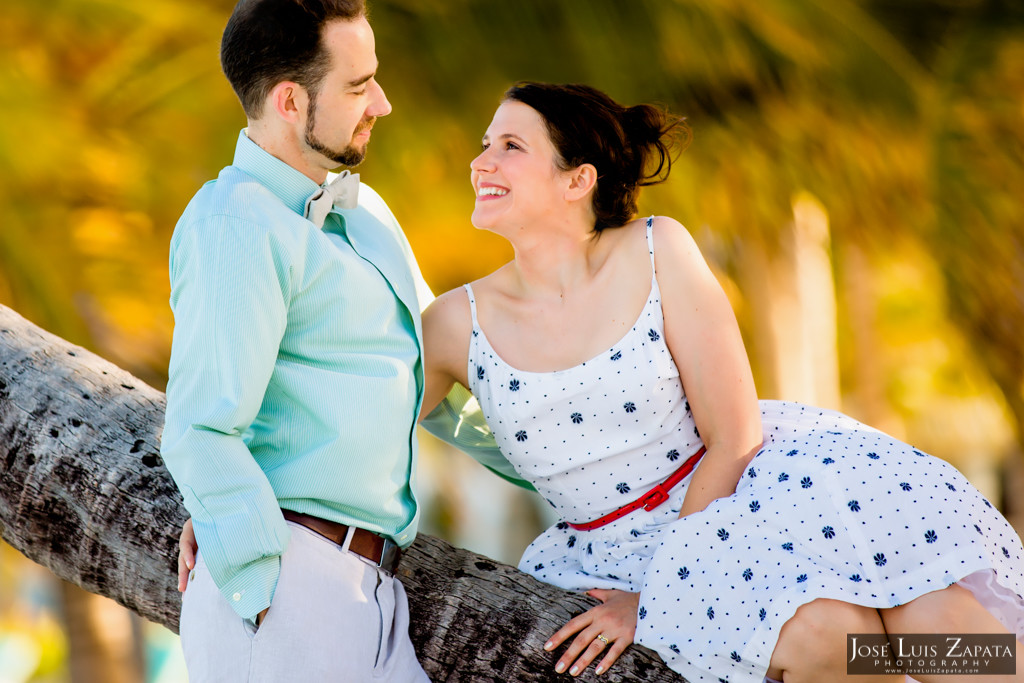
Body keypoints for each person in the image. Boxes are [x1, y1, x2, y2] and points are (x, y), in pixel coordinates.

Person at [177, 78, 1024, 681]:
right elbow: (351, 427)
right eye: (484, 143)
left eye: (510, 145)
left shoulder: (660, 249)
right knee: (830, 640)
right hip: (606, 542)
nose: (483, 160)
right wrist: (221, 492)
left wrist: (658, 593)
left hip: (745, 491)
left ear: (577, 180)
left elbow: (735, 436)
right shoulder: (452, 324)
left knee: (933, 618)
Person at [161, 0, 509, 679]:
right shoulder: (235, 223)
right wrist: (258, 577)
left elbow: (431, 383)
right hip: (289, 593)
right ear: (291, 102)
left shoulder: (368, 212)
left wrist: (579, 473)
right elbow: (200, 426)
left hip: (375, 585)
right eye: (357, 86)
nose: (381, 102)